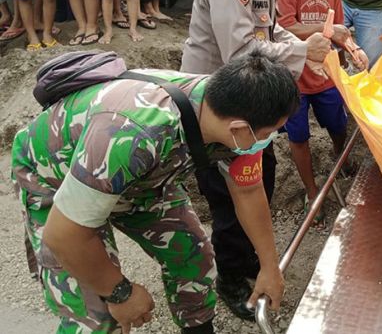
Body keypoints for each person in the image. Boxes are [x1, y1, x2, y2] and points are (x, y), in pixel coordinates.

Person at [12, 52, 297, 334]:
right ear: (239, 129)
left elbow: (248, 192)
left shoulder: (235, 116)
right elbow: (64, 235)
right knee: (95, 316)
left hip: (138, 179)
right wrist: (120, 293)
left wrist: (270, 267)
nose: (274, 137)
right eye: (274, 131)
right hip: (55, 176)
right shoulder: (134, 135)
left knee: (194, 257)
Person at [180, 0, 332, 321]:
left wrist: (306, 44)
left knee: (261, 178)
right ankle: (230, 278)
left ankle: (249, 259)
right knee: (228, 197)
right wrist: (304, 53)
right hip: (213, 107)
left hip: (247, 103)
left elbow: (270, 31)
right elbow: (241, 50)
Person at [276, 0, 368, 225]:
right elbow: (285, 28)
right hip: (293, 79)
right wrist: (327, 29)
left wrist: (353, 52)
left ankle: (340, 157)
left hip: (325, 74)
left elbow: (340, 34)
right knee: (298, 136)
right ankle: (312, 190)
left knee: (337, 123)